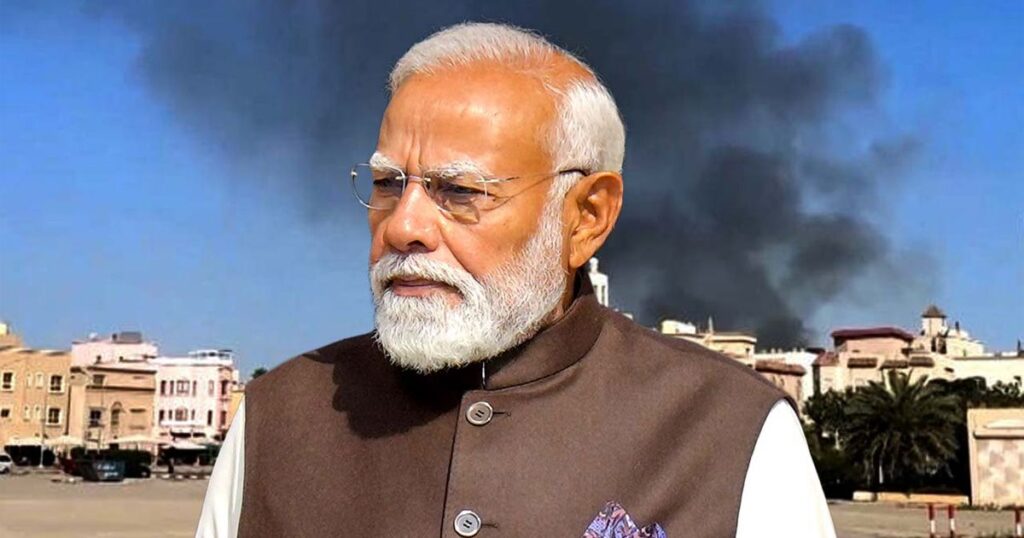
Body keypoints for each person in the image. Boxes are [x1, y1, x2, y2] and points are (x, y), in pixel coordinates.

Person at [196, 22, 835, 538]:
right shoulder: (275, 423)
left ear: (586, 217)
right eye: (389, 183)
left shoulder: (732, 434)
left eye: (460, 190)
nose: (403, 226)